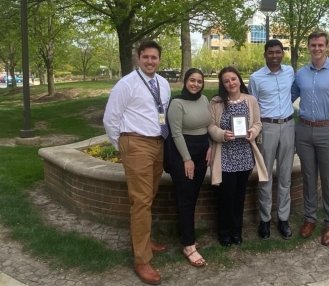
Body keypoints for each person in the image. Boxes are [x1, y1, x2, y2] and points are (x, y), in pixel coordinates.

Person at [103, 40, 170, 285]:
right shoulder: (126, 84)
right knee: (141, 201)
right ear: (138, 58)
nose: (150, 61)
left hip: (157, 143)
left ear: (159, 59)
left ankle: (144, 239)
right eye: (146, 57)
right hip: (136, 143)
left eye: (154, 57)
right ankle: (142, 259)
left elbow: (161, 112)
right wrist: (123, 146)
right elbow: (111, 119)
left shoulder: (163, 84)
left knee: (148, 196)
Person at [291, 31, 329, 247]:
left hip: (328, 131)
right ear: (307, 47)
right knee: (308, 178)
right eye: (312, 45)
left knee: (328, 180)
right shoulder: (300, 74)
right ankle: (309, 218)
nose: (316, 48)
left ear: (327, 47)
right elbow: (287, 98)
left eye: (320, 45)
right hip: (304, 131)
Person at [208, 66, 268, 247]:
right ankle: (224, 232)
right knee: (226, 196)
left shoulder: (251, 100)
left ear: (239, 80)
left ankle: (236, 231)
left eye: (233, 79)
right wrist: (221, 135)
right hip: (225, 156)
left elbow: (258, 123)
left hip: (244, 156)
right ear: (223, 84)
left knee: (239, 196)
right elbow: (210, 126)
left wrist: (253, 132)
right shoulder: (216, 102)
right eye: (226, 81)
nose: (230, 83)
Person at [248, 39, 295, 240]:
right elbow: (253, 105)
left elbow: (292, 94)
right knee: (265, 176)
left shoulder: (290, 72)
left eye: (278, 52)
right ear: (265, 54)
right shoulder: (256, 78)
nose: (275, 55)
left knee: (285, 176)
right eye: (271, 52)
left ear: (282, 53)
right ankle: (265, 220)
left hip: (288, 126)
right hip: (267, 128)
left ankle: (283, 219)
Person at [165, 68, 211, 267]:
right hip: (182, 154)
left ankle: (186, 233)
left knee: (192, 196)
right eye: (192, 80)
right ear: (185, 82)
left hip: (202, 153)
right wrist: (187, 159)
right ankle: (188, 244)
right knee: (185, 198)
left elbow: (208, 125)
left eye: (199, 81)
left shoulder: (204, 100)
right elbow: (175, 134)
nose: (195, 84)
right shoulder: (176, 103)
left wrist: (210, 146)